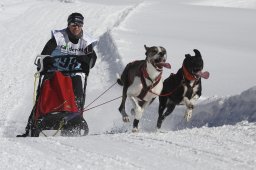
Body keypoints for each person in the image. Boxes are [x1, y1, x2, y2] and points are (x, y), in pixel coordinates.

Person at [17, 12, 97, 137]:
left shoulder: (86, 41)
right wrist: (45, 62)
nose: (76, 27)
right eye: (73, 24)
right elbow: (45, 53)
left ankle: (74, 118)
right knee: (44, 93)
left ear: (82, 25)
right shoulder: (58, 37)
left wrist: (87, 60)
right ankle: (32, 124)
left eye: (79, 24)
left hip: (74, 73)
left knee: (77, 88)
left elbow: (92, 58)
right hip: (54, 72)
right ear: (68, 25)